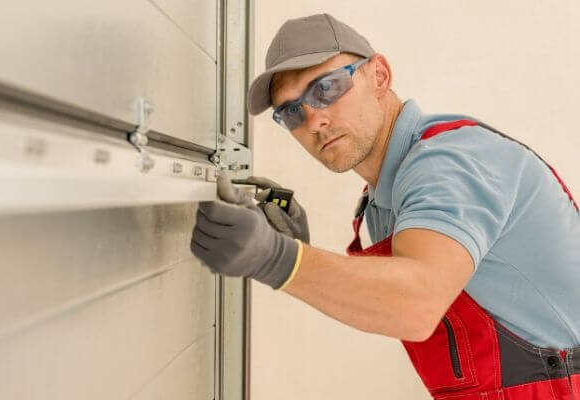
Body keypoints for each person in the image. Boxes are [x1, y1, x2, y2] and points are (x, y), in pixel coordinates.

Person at [190, 13, 580, 399]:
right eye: (291, 111)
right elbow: (395, 298)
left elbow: (416, 304)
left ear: (379, 76)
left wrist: (279, 258)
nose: (313, 120)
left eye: (326, 88)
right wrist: (303, 257)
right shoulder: (380, 200)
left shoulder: (448, 161)